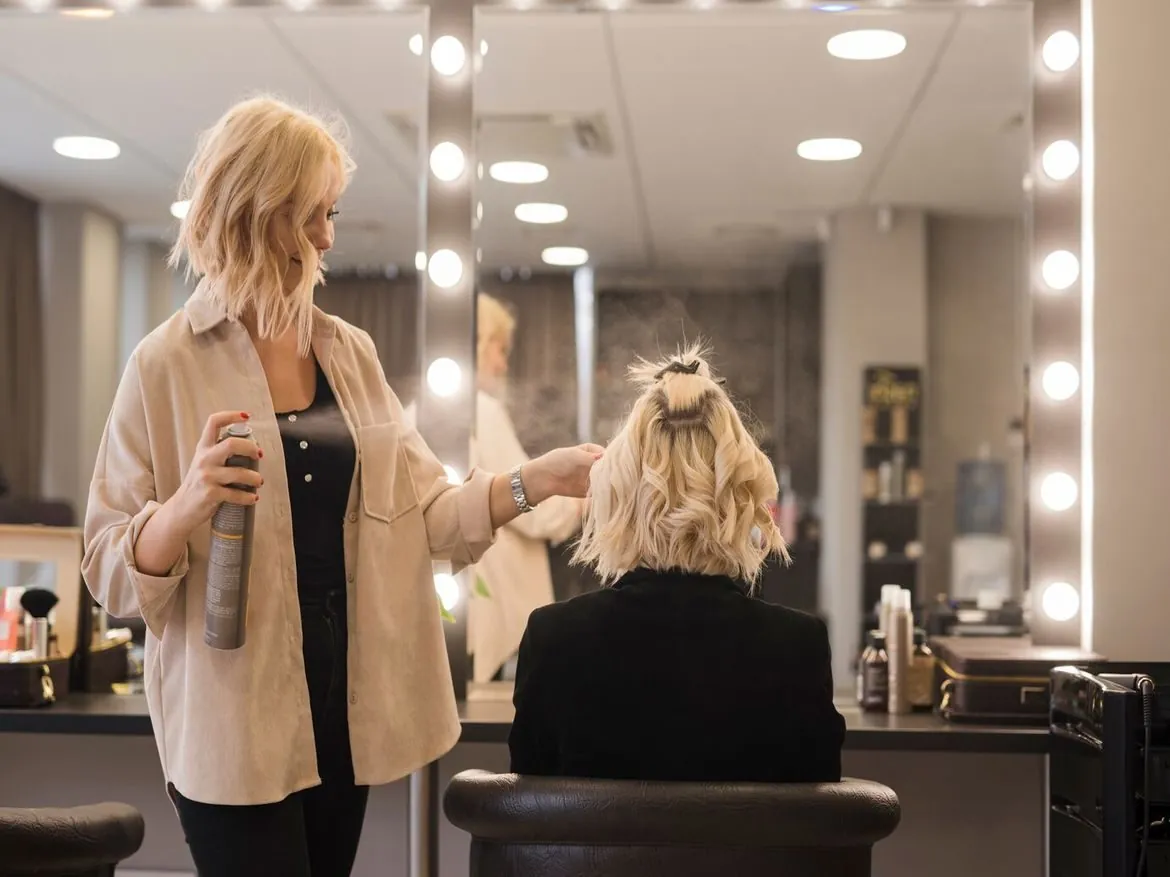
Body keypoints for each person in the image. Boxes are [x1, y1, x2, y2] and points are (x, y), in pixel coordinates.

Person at [81, 95, 601, 877]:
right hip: (230, 719)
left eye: (332, 213)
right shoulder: (165, 363)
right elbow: (107, 567)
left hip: (341, 702)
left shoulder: (348, 354)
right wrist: (187, 502)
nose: (327, 237)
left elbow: (429, 512)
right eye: (312, 215)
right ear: (257, 212)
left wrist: (541, 479)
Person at [508, 345, 846, 783]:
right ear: (741, 493)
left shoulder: (555, 641)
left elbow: (527, 809)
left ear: (621, 493)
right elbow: (819, 815)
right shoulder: (798, 648)